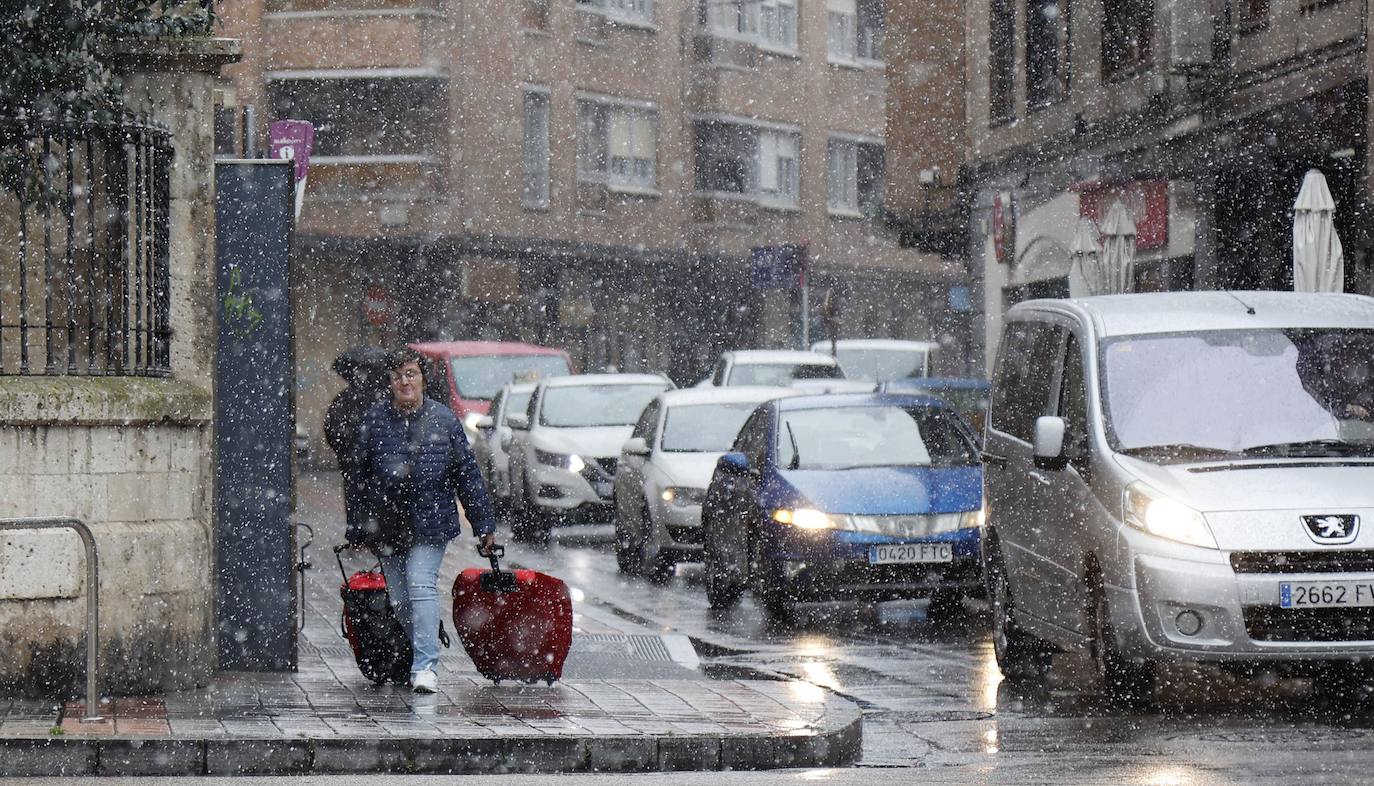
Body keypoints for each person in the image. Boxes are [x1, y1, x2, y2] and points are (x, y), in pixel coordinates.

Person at [352, 346, 497, 694]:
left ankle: (426, 666)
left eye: (411, 374)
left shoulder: (443, 420)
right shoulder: (374, 420)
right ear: (390, 381)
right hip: (387, 523)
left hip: (430, 520)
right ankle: (427, 635)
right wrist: (357, 524)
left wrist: (484, 525)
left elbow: (467, 474)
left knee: (420, 585)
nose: (405, 382)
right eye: (398, 375)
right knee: (401, 600)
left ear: (422, 379)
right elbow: (358, 476)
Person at [324, 346, 388, 540]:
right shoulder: (385, 398)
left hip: (355, 461)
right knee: (371, 496)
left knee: (355, 496)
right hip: (369, 460)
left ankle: (357, 533)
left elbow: (332, 428)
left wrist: (346, 450)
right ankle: (371, 533)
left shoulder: (345, 399)